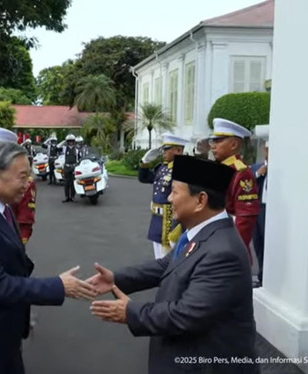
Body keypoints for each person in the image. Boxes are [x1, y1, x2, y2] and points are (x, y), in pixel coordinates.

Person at [88, 155, 257, 374]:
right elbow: (166, 265)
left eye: (175, 191)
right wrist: (115, 279)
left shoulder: (223, 252)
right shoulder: (202, 231)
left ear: (200, 201)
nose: (169, 198)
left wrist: (131, 312)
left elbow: (186, 315)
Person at [0, 142, 97, 374]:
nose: (28, 183)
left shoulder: (0, 206)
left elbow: (14, 263)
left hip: (3, 334)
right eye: (22, 177)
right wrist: (59, 286)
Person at [209, 118, 260, 260]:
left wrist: (232, 250)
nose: (214, 146)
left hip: (228, 247)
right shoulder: (218, 169)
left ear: (234, 144)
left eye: (219, 141)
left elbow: (245, 219)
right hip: (211, 240)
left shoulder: (241, 173)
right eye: (213, 141)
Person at [138, 134, 188, 259]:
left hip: (171, 220)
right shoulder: (162, 168)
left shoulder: (182, 169)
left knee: (169, 259)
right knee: (158, 258)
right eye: (164, 148)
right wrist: (145, 162)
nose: (163, 152)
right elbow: (144, 178)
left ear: (178, 150)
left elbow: (185, 199)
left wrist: (179, 225)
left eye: (167, 148)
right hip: (157, 219)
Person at [251, 140, 269, 288]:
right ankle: (261, 275)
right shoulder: (257, 168)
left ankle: (266, 277)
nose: (269, 152)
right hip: (257, 208)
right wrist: (258, 174)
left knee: (267, 243)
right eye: (267, 149)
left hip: (271, 209)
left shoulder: (279, 168)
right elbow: (247, 183)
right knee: (257, 241)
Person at [60, 134, 80, 203]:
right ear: (67, 142)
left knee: (73, 183)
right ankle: (67, 197)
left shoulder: (76, 149)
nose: (71, 142)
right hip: (67, 167)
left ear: (74, 141)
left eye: (72, 141)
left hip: (74, 167)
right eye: (69, 141)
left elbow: (78, 159)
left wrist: (76, 166)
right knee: (66, 183)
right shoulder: (64, 148)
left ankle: (72, 197)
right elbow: (57, 147)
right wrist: (64, 141)